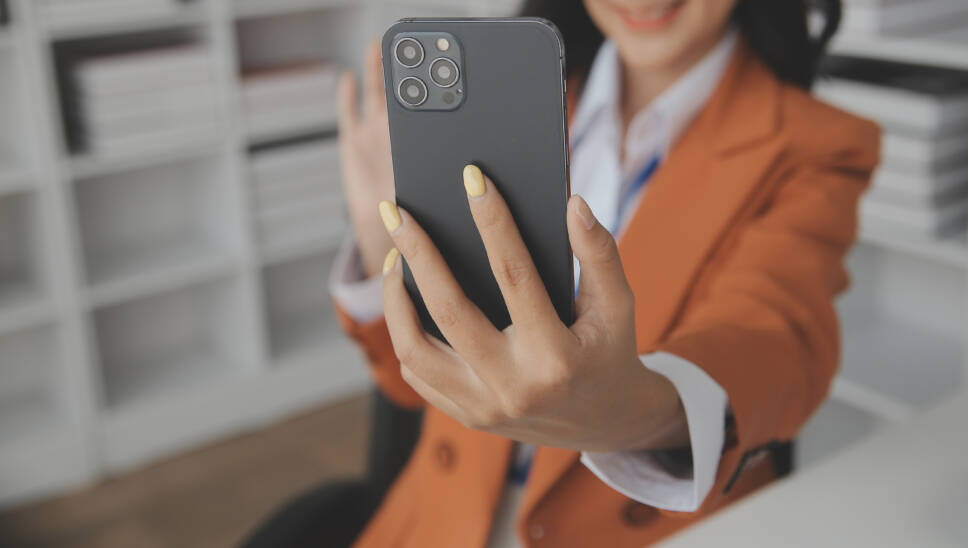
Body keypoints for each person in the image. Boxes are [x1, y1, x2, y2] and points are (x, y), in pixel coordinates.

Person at [243, 0, 879, 546]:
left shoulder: (815, 145)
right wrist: (377, 242)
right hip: (439, 520)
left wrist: (627, 412)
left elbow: (777, 338)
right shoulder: (513, 94)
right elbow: (414, 388)